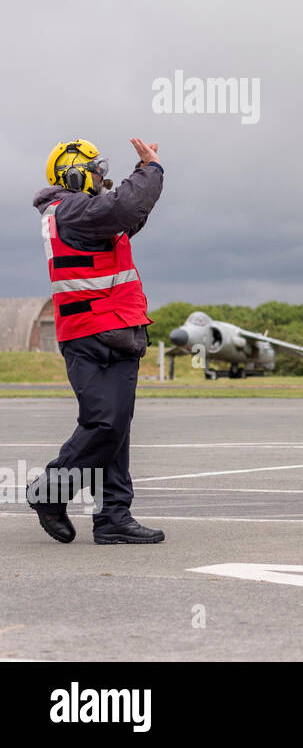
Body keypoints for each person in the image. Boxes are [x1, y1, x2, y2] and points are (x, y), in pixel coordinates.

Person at [27, 138, 166, 544]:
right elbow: (124, 206)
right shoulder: (69, 209)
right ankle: (49, 493)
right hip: (92, 333)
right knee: (104, 423)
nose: (100, 177)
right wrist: (151, 170)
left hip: (116, 331)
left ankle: (113, 518)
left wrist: (143, 177)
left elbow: (130, 212)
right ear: (72, 173)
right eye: (93, 170)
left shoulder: (87, 213)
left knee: (115, 427)